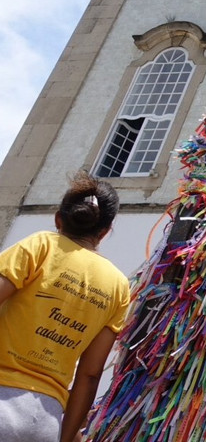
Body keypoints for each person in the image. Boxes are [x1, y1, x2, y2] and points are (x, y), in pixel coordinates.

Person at [0, 173, 130, 442]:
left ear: (59, 219)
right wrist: (66, 436)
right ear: (104, 232)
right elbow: (91, 374)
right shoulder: (118, 285)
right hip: (45, 422)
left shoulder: (41, 245)